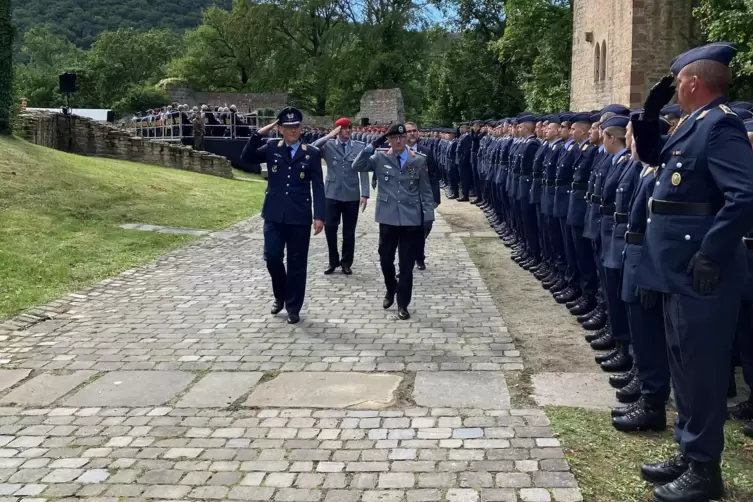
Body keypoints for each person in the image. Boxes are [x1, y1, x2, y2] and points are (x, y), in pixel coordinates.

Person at [632, 42, 753, 502]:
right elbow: (652, 158)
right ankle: (688, 449)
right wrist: (648, 113)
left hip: (701, 270)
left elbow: (744, 196)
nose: (674, 87)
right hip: (678, 269)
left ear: (693, 82)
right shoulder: (696, 125)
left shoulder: (720, 126)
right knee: (684, 364)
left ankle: (705, 471)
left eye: (676, 81)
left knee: (702, 370)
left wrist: (711, 252)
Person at [240, 107, 325, 325]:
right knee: (273, 258)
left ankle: (293, 306)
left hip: (299, 216)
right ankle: (280, 293)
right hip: (274, 214)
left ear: (300, 128)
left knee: (297, 263)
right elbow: (246, 157)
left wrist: (320, 216)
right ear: (280, 129)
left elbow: (317, 186)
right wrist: (260, 132)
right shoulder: (271, 147)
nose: (292, 131)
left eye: (296, 127)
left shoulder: (311, 153)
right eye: (287, 127)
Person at [352, 123, 435, 320]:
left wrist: (428, 217)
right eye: (393, 138)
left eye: (401, 137)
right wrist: (373, 145)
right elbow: (357, 166)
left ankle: (403, 303)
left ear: (407, 138)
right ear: (388, 139)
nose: (398, 141)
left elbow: (426, 191)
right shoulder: (380, 157)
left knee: (406, 265)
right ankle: (391, 287)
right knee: (385, 259)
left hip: (411, 219)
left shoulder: (419, 161)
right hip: (388, 218)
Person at [312, 118, 369, 275]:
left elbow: (363, 170)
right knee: (330, 228)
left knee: (349, 231)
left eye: (349, 128)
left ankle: (346, 262)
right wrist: (328, 136)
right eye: (344, 128)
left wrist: (365, 194)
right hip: (332, 193)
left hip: (351, 194)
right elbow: (312, 148)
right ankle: (332, 261)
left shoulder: (358, 147)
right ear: (337, 130)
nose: (348, 130)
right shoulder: (328, 146)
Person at [406, 122, 441, 270]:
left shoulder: (426, 151)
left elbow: (434, 175)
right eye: (409, 131)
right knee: (408, 229)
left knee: (426, 225)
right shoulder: (398, 152)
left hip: (423, 196)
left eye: (414, 131)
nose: (412, 134)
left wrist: (435, 198)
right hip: (406, 196)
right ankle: (416, 257)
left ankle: (417, 254)